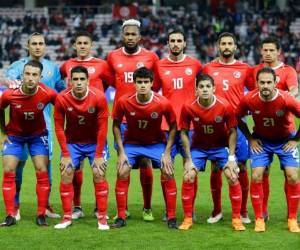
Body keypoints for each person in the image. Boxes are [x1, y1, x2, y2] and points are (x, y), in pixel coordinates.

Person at [4, 32, 64, 220]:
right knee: (17, 166)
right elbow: (10, 83)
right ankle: (15, 206)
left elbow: (60, 92)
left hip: (43, 126)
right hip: (18, 126)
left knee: (46, 167)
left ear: (45, 46)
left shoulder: (53, 68)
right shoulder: (18, 66)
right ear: (27, 46)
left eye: (41, 43)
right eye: (34, 43)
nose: (38, 46)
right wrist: (11, 82)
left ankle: (45, 206)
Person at [111, 67, 177, 229]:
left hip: (155, 144)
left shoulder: (162, 102)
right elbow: (116, 126)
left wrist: (167, 152)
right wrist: (121, 152)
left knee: (168, 171)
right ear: (134, 83)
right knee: (122, 170)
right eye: (139, 82)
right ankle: (121, 216)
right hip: (132, 144)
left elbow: (174, 126)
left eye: (146, 82)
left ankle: (171, 217)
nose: (142, 85)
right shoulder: (124, 101)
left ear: (152, 83)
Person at [107, 19, 159, 221]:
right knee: (123, 163)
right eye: (126, 34)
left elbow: (157, 83)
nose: (130, 37)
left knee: (145, 161)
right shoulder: (112, 57)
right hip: (123, 119)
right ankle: (123, 209)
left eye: (133, 34)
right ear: (122, 36)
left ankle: (147, 208)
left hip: (146, 119)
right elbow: (111, 81)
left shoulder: (150, 57)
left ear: (139, 37)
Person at [237, 67, 300, 233]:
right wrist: (250, 138)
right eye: (262, 82)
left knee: (292, 176)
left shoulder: (286, 99)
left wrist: (295, 140)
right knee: (257, 174)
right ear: (257, 83)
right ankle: (259, 218)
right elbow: (237, 117)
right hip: (262, 141)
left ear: (275, 83)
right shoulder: (249, 99)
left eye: (268, 82)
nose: (265, 86)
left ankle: (292, 219)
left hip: (286, 140)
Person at [178, 74, 245, 231]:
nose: (205, 89)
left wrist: (231, 157)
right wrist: (188, 159)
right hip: (199, 148)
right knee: (188, 175)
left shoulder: (225, 106)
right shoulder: (188, 106)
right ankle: (187, 218)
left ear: (214, 89)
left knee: (232, 175)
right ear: (196, 90)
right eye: (201, 87)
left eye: (208, 86)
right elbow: (183, 133)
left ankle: (236, 219)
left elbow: (233, 131)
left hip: (220, 148)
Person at [60, 31, 114, 219]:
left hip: (94, 118)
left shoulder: (102, 64)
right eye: (79, 43)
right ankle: (77, 207)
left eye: (86, 43)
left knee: (98, 170)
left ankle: (100, 209)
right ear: (74, 45)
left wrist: (96, 94)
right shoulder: (67, 65)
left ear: (91, 45)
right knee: (75, 169)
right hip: (75, 120)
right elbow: (62, 81)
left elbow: (110, 82)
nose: (82, 46)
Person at [203, 32, 255, 224]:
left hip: (238, 125)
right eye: (223, 43)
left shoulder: (244, 68)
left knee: (241, 167)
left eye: (229, 43)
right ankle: (217, 210)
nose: (226, 46)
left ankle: (243, 211)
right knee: (216, 166)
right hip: (215, 125)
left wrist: (249, 113)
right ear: (218, 46)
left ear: (235, 47)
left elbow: (253, 94)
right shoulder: (208, 67)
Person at [0, 60, 57, 226]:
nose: (30, 78)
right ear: (22, 75)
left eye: (34, 75)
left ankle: (41, 215)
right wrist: (3, 133)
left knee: (42, 169)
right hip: (15, 137)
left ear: (40, 77)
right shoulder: (10, 94)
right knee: (9, 169)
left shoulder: (48, 93)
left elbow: (63, 107)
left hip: (38, 136)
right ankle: (10, 214)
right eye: (27, 74)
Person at [153, 29, 202, 221]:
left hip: (190, 126)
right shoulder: (159, 65)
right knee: (166, 169)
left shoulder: (195, 65)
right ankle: (169, 209)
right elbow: (153, 90)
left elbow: (205, 87)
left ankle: (191, 209)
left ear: (184, 44)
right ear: (167, 43)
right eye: (172, 40)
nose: (175, 44)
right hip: (166, 126)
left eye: (179, 40)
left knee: (191, 168)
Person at [53, 66, 109, 230]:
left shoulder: (98, 97)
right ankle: (67, 217)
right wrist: (65, 153)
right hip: (73, 143)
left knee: (99, 173)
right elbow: (58, 127)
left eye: (81, 79)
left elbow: (103, 129)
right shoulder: (62, 98)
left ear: (88, 81)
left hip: (94, 143)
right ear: (69, 81)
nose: (78, 83)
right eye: (75, 79)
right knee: (66, 173)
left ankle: (102, 218)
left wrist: (98, 155)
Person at [252, 37, 299, 220]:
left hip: (285, 129)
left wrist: (281, 99)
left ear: (278, 51)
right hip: (262, 130)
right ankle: (263, 211)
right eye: (265, 50)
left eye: (272, 50)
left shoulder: (288, 71)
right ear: (261, 51)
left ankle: (292, 214)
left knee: (290, 173)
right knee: (263, 171)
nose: (268, 53)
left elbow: (294, 91)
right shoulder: (255, 71)